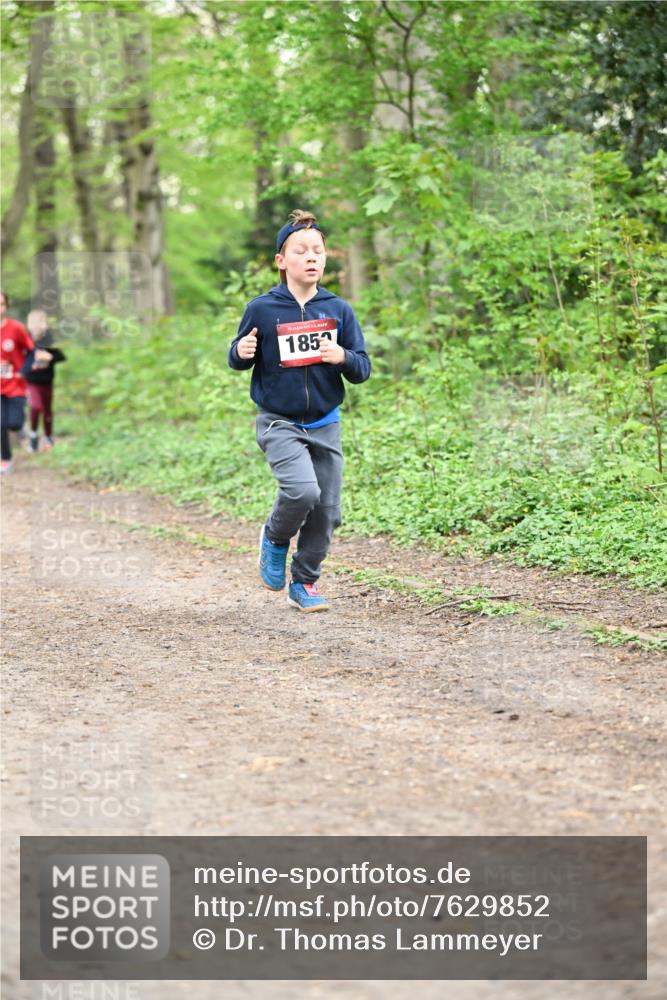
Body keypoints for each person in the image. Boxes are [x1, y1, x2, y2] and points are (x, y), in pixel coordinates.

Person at [228, 209, 371, 612]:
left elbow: (361, 368)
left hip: (325, 422)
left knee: (328, 510)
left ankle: (304, 583)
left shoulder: (338, 310)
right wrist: (240, 351)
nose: (312, 258)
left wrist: (341, 354)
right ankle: (274, 538)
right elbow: (238, 357)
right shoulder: (262, 309)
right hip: (279, 420)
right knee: (302, 491)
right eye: (301, 250)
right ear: (281, 260)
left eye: (318, 251)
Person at [1, 290, 35, 474]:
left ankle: (21, 428)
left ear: (6, 306)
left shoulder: (16, 328)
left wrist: (24, 371)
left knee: (13, 423)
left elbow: (31, 351)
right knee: (0, 424)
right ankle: (5, 460)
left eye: (1, 304)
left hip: (15, 384)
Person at [25, 308, 66, 452]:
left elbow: (61, 356)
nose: (37, 325)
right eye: (34, 322)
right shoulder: (25, 340)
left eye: (41, 322)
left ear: (45, 324)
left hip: (47, 381)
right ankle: (33, 435)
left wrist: (50, 357)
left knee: (47, 410)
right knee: (36, 407)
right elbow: (19, 360)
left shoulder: (49, 340)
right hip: (31, 381)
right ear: (29, 324)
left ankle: (48, 436)